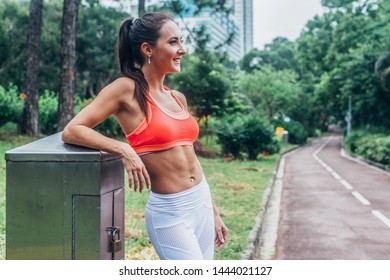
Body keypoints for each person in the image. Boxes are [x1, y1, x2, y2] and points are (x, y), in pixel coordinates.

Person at [62, 11, 228, 260]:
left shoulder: (177, 97)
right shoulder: (126, 89)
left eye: (181, 41)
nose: (182, 49)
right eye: (173, 42)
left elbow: (192, 159)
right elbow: (73, 130)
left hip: (201, 203)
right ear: (147, 49)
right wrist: (124, 149)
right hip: (170, 213)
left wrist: (213, 211)